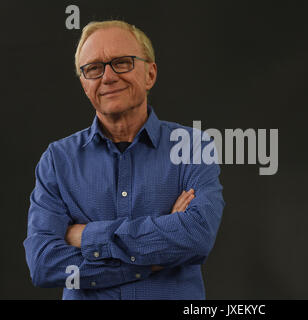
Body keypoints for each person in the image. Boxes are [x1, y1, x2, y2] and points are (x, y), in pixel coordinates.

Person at [23, 20, 225, 300]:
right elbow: (43, 263)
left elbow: (197, 236)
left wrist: (86, 237)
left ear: (150, 74)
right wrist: (149, 261)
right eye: (93, 68)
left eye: (122, 63)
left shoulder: (193, 146)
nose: (107, 77)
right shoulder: (57, 160)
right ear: (84, 84)